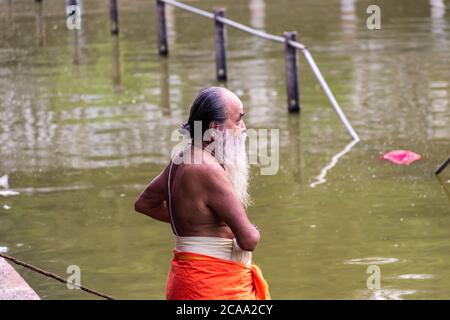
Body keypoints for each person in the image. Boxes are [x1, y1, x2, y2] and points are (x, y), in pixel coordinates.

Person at [134, 87, 270, 300]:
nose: (243, 128)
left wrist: (194, 223)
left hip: (186, 280)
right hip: (214, 286)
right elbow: (248, 240)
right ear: (215, 129)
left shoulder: (182, 158)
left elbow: (145, 203)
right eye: (238, 120)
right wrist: (254, 230)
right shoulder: (208, 169)